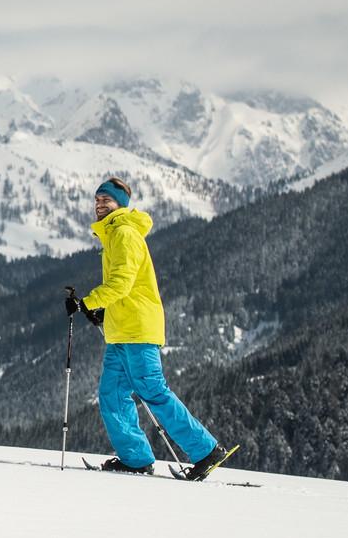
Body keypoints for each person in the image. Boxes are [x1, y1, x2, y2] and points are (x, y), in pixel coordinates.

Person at [68, 177, 236, 479]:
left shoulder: (124, 234)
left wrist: (87, 303)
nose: (99, 205)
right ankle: (136, 458)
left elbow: (121, 283)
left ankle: (206, 450)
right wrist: (103, 313)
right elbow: (125, 288)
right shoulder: (112, 235)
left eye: (106, 200)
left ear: (120, 204)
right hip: (122, 330)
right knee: (112, 393)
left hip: (139, 330)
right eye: (96, 200)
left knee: (153, 391)